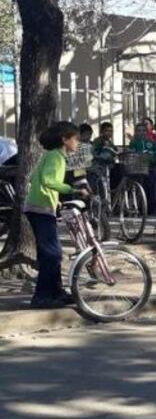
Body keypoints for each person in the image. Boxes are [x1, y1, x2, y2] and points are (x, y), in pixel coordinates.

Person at [25, 122, 88, 309]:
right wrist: (72, 190)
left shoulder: (51, 155)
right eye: (75, 139)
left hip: (39, 207)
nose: (78, 143)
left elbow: (34, 178)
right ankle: (42, 297)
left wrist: (55, 199)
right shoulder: (57, 157)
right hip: (40, 209)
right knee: (52, 255)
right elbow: (48, 179)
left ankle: (56, 292)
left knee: (52, 253)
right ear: (64, 140)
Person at [129, 122, 156, 210]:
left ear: (147, 132)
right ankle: (138, 206)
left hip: (150, 168)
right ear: (135, 132)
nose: (141, 133)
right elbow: (131, 153)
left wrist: (151, 156)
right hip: (137, 168)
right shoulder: (133, 142)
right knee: (138, 187)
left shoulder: (151, 142)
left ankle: (150, 208)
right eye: (139, 131)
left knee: (150, 187)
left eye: (143, 130)